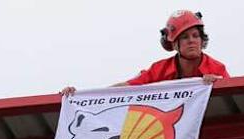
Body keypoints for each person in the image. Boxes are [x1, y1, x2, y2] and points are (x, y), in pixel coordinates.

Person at [60, 10, 229, 97]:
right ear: (174, 44)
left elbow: (233, 95)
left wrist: (218, 85)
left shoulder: (216, 68)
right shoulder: (159, 70)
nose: (191, 41)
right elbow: (127, 87)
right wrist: (81, 96)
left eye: (195, 36)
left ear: (202, 39)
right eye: (184, 37)